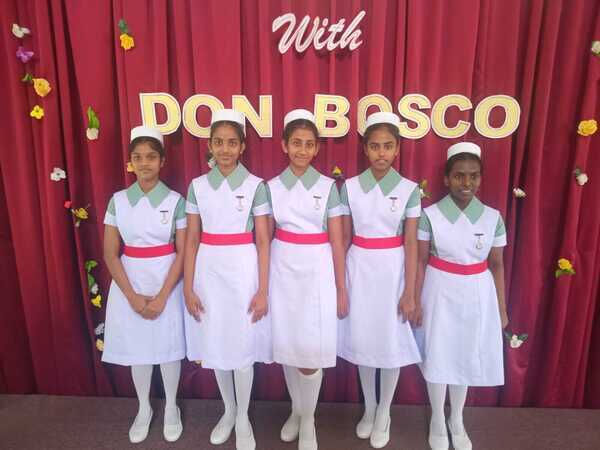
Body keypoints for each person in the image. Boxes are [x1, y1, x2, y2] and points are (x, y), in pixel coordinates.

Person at [184, 109, 271, 450]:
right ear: (209, 144)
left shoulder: (255, 186)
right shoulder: (197, 187)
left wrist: (262, 289)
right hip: (208, 271)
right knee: (216, 342)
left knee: (242, 344)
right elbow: (192, 239)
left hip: (243, 270)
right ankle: (229, 410)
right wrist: (188, 286)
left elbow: (262, 240)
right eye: (218, 142)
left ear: (242, 146)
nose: (225, 149)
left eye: (232, 142)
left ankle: (244, 416)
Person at [415, 142, 508, 450]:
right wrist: (415, 299)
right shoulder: (430, 215)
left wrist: (501, 309)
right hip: (439, 290)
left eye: (473, 176)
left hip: (478, 293)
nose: (466, 182)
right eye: (458, 176)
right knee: (438, 353)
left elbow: (497, 264)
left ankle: (456, 418)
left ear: (481, 178)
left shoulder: (492, 217)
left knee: (464, 354)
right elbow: (420, 260)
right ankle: (437, 419)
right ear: (446, 178)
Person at [338, 111, 422, 448]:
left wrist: (410, 291)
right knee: (364, 338)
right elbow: (344, 238)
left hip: (393, 270)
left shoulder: (408, 189)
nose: (381, 153)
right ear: (365, 149)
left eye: (388, 146)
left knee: (389, 341)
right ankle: (370, 407)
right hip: (359, 267)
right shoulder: (350, 187)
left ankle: (385, 410)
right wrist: (341, 285)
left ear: (397, 148)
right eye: (375, 146)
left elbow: (412, 243)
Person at [267, 109, 348, 450]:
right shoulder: (270, 188)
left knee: (311, 351)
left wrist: (341, 288)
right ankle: (297, 411)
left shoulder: (328, 187)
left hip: (317, 272)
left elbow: (338, 241)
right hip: (282, 270)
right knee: (288, 346)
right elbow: (264, 238)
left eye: (309, 144)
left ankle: (309, 419)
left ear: (316, 149)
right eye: (296, 143)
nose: (302, 149)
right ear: (284, 145)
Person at [102, 126, 186, 443]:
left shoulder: (176, 201)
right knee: (138, 348)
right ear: (131, 162)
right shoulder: (118, 201)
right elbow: (110, 253)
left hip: (167, 280)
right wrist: (132, 296)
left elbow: (183, 252)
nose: (144, 163)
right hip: (130, 281)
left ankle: (172, 406)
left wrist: (163, 296)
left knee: (168, 347)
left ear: (162, 161)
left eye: (151, 157)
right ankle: (143, 407)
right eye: (138, 157)